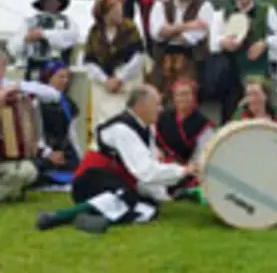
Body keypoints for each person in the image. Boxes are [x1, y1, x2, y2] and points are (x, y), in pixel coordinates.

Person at [36, 85, 198, 233]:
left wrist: (163, 196)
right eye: (157, 104)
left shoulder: (145, 129)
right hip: (89, 181)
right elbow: (145, 171)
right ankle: (59, 216)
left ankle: (95, 218)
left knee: (149, 209)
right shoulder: (122, 129)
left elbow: (149, 166)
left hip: (112, 182)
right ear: (141, 106)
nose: (161, 109)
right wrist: (183, 171)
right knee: (124, 197)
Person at [218, 0, 277, 120]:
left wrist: (265, 43)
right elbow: (213, 40)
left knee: (258, 112)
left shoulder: (267, 10)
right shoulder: (224, 12)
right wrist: (223, 42)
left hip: (257, 71)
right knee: (230, 114)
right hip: (232, 72)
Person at [1, 50, 63, 201]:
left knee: (29, 171)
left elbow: (54, 95)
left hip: (5, 159)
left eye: (1, 66)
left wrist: (19, 86)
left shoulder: (9, 87)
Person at [149, 0, 214, 99]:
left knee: (186, 98)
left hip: (191, 60)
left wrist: (170, 30)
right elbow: (158, 34)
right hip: (162, 60)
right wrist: (189, 25)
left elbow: (193, 37)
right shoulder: (160, 5)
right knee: (156, 99)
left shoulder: (204, 6)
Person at [82, 0, 146, 126]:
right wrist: (105, 80)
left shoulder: (130, 28)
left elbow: (138, 56)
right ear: (105, 13)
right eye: (115, 10)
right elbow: (89, 61)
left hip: (127, 82)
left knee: (127, 119)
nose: (119, 13)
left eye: (120, 9)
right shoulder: (95, 32)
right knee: (104, 122)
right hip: (103, 85)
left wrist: (120, 78)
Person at [8, 0, 79, 80]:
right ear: (43, 3)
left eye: (54, 1)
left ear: (59, 3)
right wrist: (25, 39)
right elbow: (13, 47)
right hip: (33, 68)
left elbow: (67, 40)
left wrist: (44, 34)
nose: (51, 4)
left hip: (57, 70)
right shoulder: (30, 21)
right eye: (48, 1)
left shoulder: (68, 22)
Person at [34, 60, 82, 189]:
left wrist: (80, 157)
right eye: (61, 77)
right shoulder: (35, 101)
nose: (65, 81)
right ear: (48, 77)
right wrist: (48, 153)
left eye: (67, 77)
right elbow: (35, 133)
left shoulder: (69, 104)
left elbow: (72, 134)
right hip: (42, 150)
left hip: (64, 150)